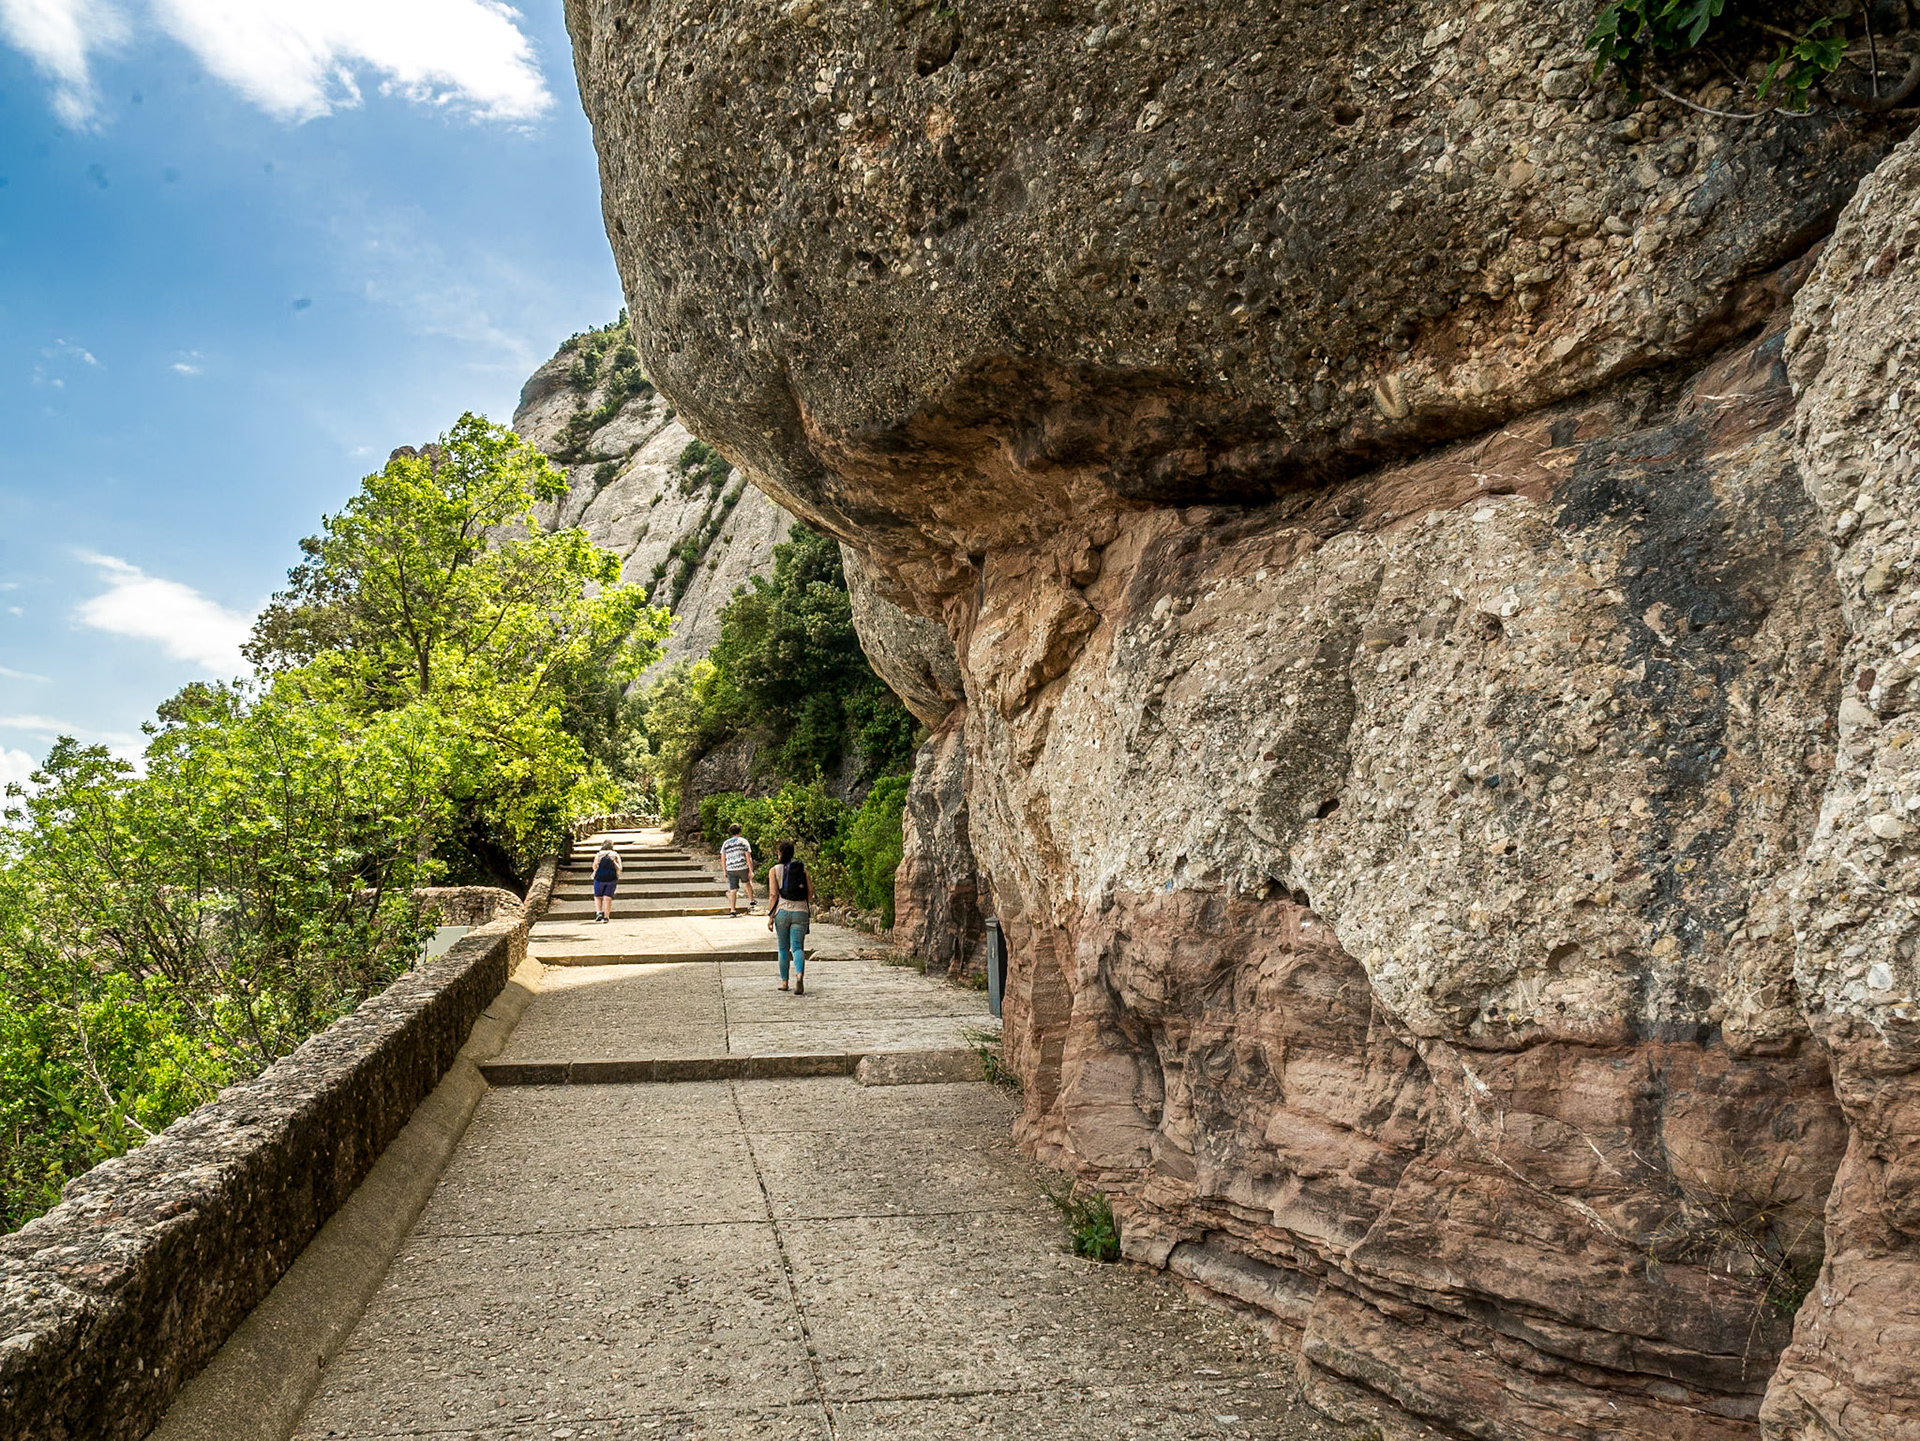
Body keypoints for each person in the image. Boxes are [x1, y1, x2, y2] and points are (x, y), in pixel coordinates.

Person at [767, 840, 811, 994]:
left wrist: (770, 916)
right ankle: (799, 975)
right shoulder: (802, 868)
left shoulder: (774, 870)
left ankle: (784, 982)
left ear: (779, 853)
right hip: (801, 911)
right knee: (798, 947)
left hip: (782, 912)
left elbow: (773, 895)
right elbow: (810, 893)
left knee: (783, 948)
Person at [721, 823, 755, 916]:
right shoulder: (744, 841)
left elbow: (723, 858)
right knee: (747, 883)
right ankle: (751, 901)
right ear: (740, 831)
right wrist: (751, 870)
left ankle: (732, 909)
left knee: (733, 889)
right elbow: (748, 856)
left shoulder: (726, 843)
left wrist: (724, 871)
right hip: (742, 867)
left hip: (731, 868)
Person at [590, 839, 623, 923]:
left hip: (599, 877)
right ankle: (606, 916)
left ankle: (599, 912)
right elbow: (620, 868)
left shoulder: (599, 854)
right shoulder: (615, 854)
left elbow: (594, 866)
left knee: (598, 896)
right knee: (607, 897)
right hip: (611, 878)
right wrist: (613, 862)